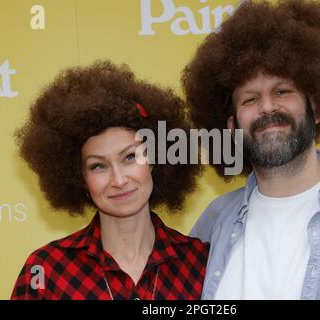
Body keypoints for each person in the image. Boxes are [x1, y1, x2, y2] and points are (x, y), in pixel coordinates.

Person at [182, 0, 320, 299]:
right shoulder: (213, 223)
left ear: (316, 107)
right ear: (232, 126)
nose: (267, 107)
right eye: (250, 99)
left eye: (282, 91)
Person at [11, 61, 209, 300]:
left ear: (154, 159)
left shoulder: (201, 262)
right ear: (80, 178)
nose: (118, 179)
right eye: (98, 166)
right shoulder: (46, 270)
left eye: (130, 157)